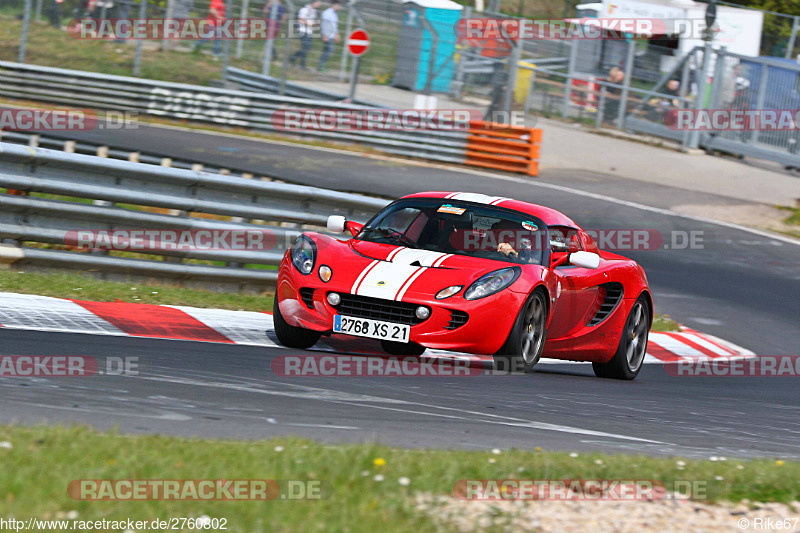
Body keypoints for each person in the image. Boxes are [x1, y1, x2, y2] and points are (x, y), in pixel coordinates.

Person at [290, 0, 321, 69]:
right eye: (318, 2)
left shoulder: (314, 11)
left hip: (309, 32)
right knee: (305, 47)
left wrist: (316, 23)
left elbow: (311, 22)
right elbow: (300, 19)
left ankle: (292, 58)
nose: (319, 4)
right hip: (302, 31)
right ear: (314, 3)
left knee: (307, 48)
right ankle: (302, 65)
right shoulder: (304, 10)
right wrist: (311, 24)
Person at [317, 0, 341, 72]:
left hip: (331, 35)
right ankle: (321, 66)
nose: (339, 7)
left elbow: (335, 26)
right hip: (327, 35)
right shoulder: (327, 13)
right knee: (329, 50)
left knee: (327, 50)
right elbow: (324, 24)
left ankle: (321, 66)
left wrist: (337, 36)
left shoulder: (334, 14)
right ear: (334, 5)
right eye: (338, 5)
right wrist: (325, 35)